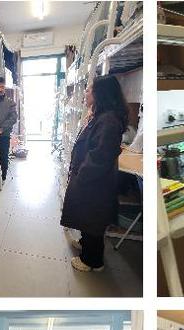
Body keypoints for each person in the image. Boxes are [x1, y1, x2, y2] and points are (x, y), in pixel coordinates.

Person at [60, 75, 128, 272]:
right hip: (90, 179)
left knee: (92, 220)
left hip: (93, 181)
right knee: (86, 217)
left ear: (100, 94)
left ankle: (92, 261)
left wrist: (81, 175)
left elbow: (99, 156)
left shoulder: (108, 121)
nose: (85, 93)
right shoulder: (100, 116)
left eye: (89, 90)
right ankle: (86, 245)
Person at [0, 77, 17, 181]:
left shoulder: (10, 102)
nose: (0, 89)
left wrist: (1, 129)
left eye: (2, 87)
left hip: (4, 134)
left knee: (3, 156)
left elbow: (13, 118)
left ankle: (3, 178)